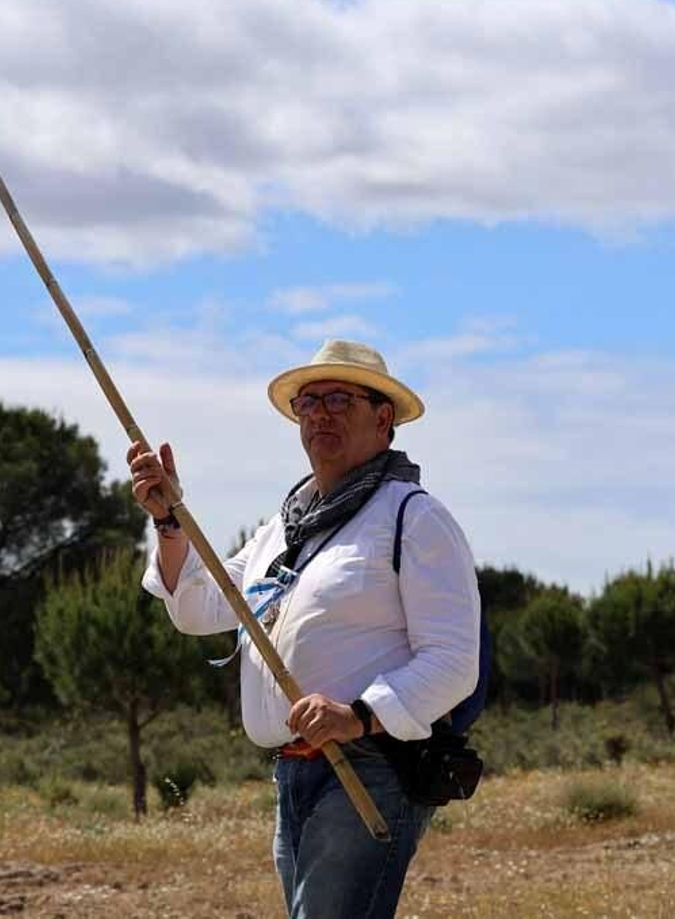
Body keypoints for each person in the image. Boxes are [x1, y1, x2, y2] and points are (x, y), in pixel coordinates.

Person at [131, 339, 481, 919]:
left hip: (368, 767)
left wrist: (358, 714)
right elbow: (199, 609)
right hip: (294, 771)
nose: (319, 413)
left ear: (383, 418)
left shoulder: (414, 518)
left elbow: (453, 661)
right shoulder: (283, 531)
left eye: (339, 399)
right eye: (308, 402)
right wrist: (169, 523)